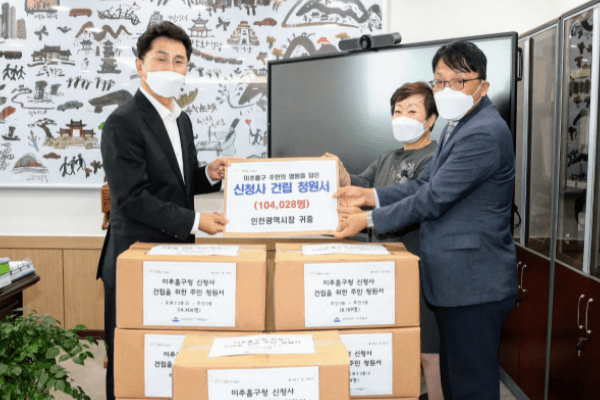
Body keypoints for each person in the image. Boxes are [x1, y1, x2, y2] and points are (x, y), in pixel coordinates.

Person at [332, 41, 518, 400]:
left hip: (473, 283)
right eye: (440, 81)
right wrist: (369, 195)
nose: (447, 90)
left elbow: (433, 198)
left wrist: (368, 219)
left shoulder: (483, 132)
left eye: (459, 81)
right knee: (454, 381)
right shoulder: (457, 125)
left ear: (482, 86)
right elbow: (424, 186)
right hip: (453, 282)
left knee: (472, 386)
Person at [97, 22, 235, 400]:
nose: (171, 68)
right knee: (130, 362)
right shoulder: (123, 122)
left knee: (171, 356)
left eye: (179, 61)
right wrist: (196, 221)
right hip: (135, 260)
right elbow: (131, 198)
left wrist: (208, 174)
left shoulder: (181, 119)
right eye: (162, 59)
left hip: (175, 259)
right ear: (140, 65)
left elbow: (177, 184)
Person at [326, 81, 443, 399]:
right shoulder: (387, 157)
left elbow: (417, 203)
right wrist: (340, 173)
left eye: (412, 111)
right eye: (397, 111)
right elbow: (363, 186)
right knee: (387, 343)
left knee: (428, 349)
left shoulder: (435, 158)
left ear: (430, 119)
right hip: (381, 268)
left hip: (419, 267)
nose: (402, 117)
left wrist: (365, 212)